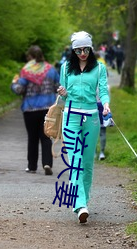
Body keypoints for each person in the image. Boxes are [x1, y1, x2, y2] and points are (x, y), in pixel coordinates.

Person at [57, 31, 110, 223]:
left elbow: (103, 90)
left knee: (87, 164)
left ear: (91, 48)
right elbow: (63, 96)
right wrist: (62, 92)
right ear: (73, 50)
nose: (82, 53)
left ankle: (83, 202)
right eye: (78, 50)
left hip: (92, 119)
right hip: (70, 118)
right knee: (76, 162)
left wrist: (105, 104)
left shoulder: (99, 68)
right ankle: (80, 204)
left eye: (86, 49)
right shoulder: (65, 68)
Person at [11, 45, 60, 175]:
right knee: (45, 137)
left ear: (30, 57)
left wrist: (14, 83)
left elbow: (19, 90)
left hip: (30, 109)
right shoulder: (51, 70)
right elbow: (58, 87)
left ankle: (32, 166)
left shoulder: (26, 71)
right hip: (47, 109)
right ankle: (47, 163)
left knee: (32, 138)